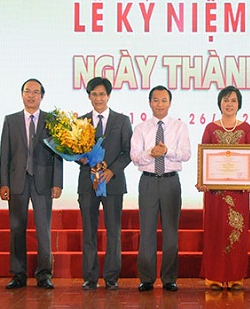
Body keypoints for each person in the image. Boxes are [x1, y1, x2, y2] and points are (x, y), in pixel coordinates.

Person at [0, 78, 63, 290]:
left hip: (43, 182)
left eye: (36, 92)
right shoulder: (11, 120)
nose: (31, 95)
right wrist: (3, 183)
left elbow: (58, 154)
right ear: (22, 94)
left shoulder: (51, 120)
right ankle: (18, 273)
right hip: (17, 180)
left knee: (43, 229)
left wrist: (57, 182)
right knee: (17, 228)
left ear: (42, 96)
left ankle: (44, 273)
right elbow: (5, 154)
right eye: (28, 91)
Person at [130, 85, 191, 292]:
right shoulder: (140, 128)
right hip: (147, 181)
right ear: (149, 103)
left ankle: (169, 278)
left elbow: (186, 154)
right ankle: (146, 278)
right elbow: (135, 157)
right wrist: (151, 152)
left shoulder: (179, 127)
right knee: (146, 231)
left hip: (170, 182)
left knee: (171, 232)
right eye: (156, 100)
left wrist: (167, 151)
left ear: (170, 103)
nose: (160, 104)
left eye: (164, 100)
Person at [196, 86, 250, 291]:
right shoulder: (210, 128)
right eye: (225, 100)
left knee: (236, 231)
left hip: (239, 192)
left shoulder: (246, 128)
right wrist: (202, 179)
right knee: (216, 231)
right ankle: (214, 277)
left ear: (239, 104)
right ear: (219, 103)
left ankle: (236, 276)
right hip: (215, 193)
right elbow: (203, 158)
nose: (229, 104)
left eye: (233, 101)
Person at [78, 77, 133, 290]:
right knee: (89, 231)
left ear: (108, 96)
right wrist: (80, 157)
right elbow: (74, 150)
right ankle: (90, 277)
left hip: (113, 183)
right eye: (94, 94)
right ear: (89, 96)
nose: (98, 98)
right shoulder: (80, 122)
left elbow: (127, 152)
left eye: (102, 94)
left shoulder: (121, 120)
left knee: (113, 231)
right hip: (87, 184)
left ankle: (111, 277)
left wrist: (111, 170)